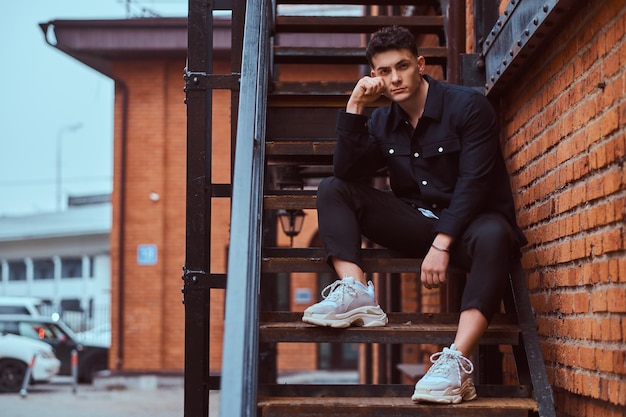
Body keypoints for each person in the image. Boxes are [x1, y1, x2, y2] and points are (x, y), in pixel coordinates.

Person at [301, 26, 527, 404]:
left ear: (420, 65)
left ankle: (456, 362)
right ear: (374, 76)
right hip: (417, 221)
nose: (395, 78)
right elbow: (347, 172)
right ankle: (356, 290)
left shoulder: (468, 107)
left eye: (402, 66)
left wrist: (442, 243)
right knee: (332, 188)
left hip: (473, 226)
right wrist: (355, 107)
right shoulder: (382, 121)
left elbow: (476, 183)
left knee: (495, 235)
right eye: (383, 71)